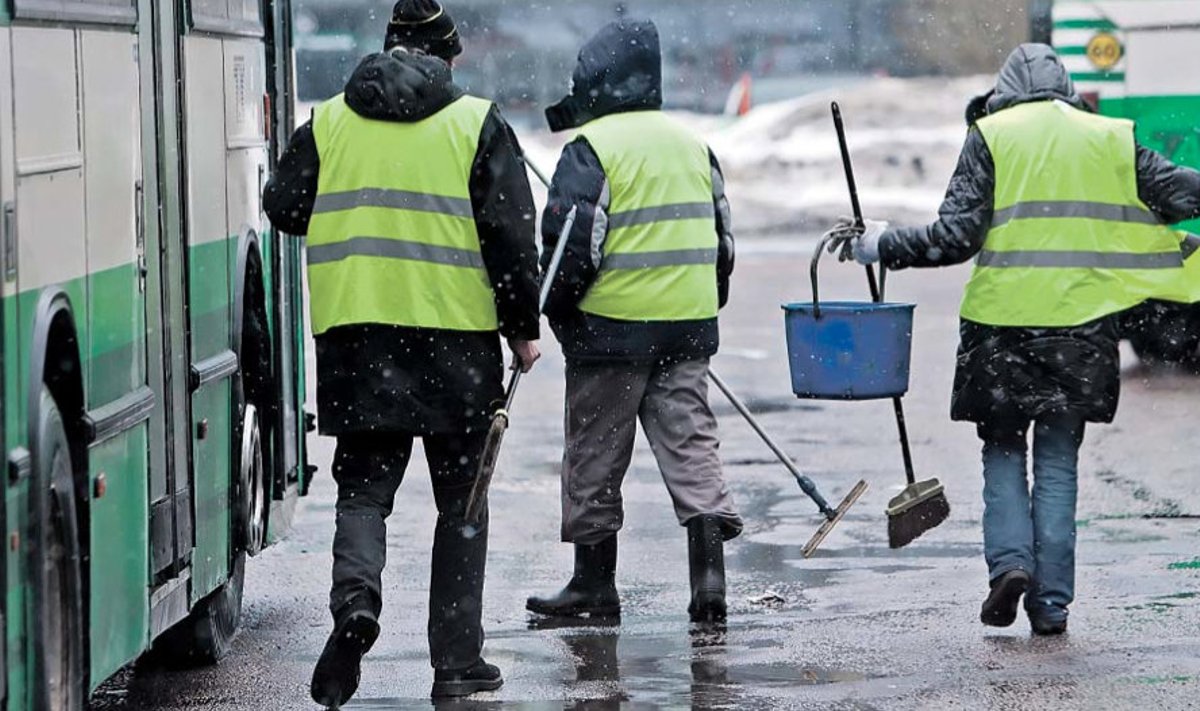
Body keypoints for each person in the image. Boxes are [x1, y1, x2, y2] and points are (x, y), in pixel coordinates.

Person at [829, 44, 1200, 635]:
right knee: (1058, 463)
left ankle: (1010, 566)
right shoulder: (1107, 137)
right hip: (1081, 329)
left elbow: (954, 237)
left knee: (1002, 451)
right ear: (1067, 88)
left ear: (1003, 92)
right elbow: (1183, 194)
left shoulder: (992, 135)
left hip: (1000, 331)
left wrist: (881, 244)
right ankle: (1050, 604)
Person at [263, 0, 541, 703]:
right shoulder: (476, 122)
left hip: (358, 347)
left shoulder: (330, 120)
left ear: (387, 51)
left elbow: (283, 205)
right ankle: (456, 661)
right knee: (462, 505)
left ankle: (356, 602)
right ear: (445, 59)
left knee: (362, 491)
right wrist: (523, 326)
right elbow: (510, 235)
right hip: (457, 348)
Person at [525, 19, 743, 624]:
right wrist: (703, 305)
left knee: (595, 457)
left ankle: (594, 587)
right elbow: (722, 240)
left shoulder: (591, 149)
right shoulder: (694, 146)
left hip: (610, 332)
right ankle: (708, 583)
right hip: (687, 326)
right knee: (692, 446)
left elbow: (571, 248)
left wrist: (561, 313)